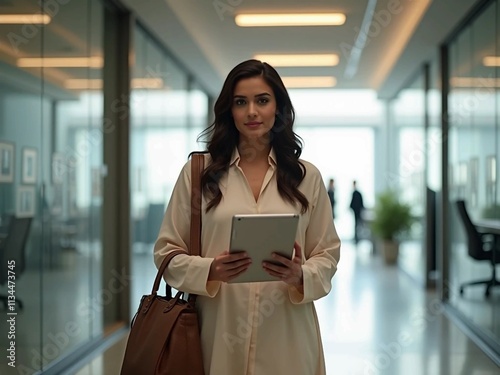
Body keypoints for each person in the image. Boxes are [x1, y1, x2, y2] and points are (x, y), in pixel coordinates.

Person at [153, 59, 341, 375]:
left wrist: (300, 275)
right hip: (216, 333)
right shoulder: (199, 174)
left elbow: (328, 254)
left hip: (287, 337)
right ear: (230, 110)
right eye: (241, 102)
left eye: (262, 100)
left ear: (278, 109)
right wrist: (209, 269)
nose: (252, 111)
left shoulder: (306, 177)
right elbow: (165, 253)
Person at [349, 180, 364, 244]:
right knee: (357, 224)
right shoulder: (357, 193)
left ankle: (357, 238)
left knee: (357, 225)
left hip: (357, 211)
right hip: (357, 211)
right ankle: (356, 238)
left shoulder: (356, 193)